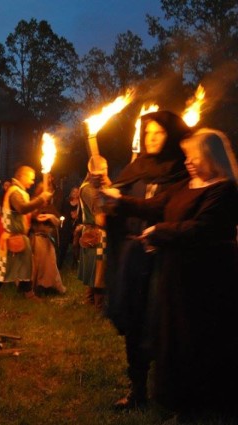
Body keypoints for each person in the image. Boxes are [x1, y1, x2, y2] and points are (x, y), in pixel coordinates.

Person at [101, 128, 238, 421]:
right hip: (175, 275)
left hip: (206, 278)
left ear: (211, 156)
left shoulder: (224, 189)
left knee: (197, 339)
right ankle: (177, 401)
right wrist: (119, 200)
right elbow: (154, 205)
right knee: (173, 336)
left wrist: (159, 231)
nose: (188, 162)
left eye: (194, 156)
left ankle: (202, 405)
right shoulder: (187, 185)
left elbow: (202, 228)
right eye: (187, 156)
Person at [104, 110, 191, 410]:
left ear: (171, 136)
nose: (151, 138)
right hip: (133, 257)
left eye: (159, 133)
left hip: (165, 257)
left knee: (161, 321)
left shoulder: (182, 171)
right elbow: (111, 209)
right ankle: (137, 387)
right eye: (148, 133)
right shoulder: (133, 169)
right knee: (135, 319)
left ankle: (169, 387)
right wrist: (107, 203)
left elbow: (169, 209)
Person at [0, 166, 52, 299]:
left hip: (20, 236)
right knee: (5, 265)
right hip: (13, 236)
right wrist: (40, 199)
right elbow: (22, 208)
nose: (32, 182)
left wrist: (39, 208)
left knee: (25, 264)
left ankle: (26, 292)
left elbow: (27, 213)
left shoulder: (22, 192)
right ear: (22, 176)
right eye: (31, 178)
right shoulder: (15, 192)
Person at [77, 156, 110, 311]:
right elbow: (101, 218)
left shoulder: (95, 188)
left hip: (96, 232)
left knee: (96, 269)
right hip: (96, 233)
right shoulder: (88, 189)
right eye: (103, 169)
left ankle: (90, 301)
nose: (105, 172)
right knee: (98, 270)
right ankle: (99, 306)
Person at [30, 184, 66, 295]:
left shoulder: (50, 207)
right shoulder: (33, 205)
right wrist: (36, 217)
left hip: (47, 241)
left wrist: (52, 218)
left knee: (49, 265)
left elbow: (59, 222)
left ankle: (47, 286)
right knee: (35, 265)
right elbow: (28, 219)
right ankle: (33, 287)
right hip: (35, 239)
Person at [57, 186, 80, 269]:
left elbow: (82, 215)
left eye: (77, 192)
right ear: (71, 192)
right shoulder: (66, 201)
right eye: (74, 191)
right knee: (63, 245)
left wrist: (77, 216)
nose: (75, 193)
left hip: (76, 226)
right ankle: (59, 264)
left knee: (76, 245)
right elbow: (61, 212)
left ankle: (75, 263)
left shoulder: (80, 204)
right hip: (66, 226)